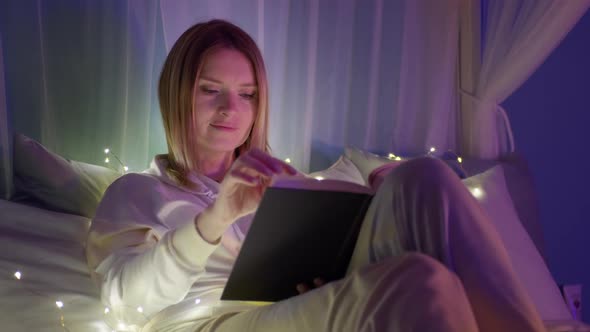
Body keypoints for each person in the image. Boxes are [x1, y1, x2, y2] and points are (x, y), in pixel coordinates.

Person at [86, 19, 545, 332]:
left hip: (295, 306)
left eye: (247, 94)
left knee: (422, 179)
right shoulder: (137, 192)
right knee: (419, 282)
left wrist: (373, 211)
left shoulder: (282, 185)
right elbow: (126, 302)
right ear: (177, 93)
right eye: (211, 90)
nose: (231, 109)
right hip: (213, 321)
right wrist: (214, 219)